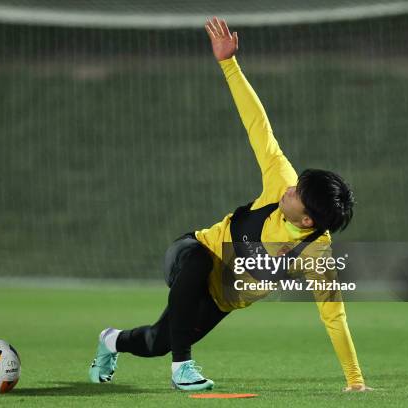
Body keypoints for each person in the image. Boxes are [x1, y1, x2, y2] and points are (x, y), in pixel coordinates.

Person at [88, 17, 372, 392]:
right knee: (202, 261)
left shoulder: (316, 255)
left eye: (298, 193)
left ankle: (110, 341)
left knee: (156, 342)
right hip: (192, 250)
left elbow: (334, 316)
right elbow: (259, 125)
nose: (291, 189)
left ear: (307, 221)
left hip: (220, 299)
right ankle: (182, 369)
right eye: (297, 184)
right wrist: (229, 63)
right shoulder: (280, 184)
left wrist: (355, 382)